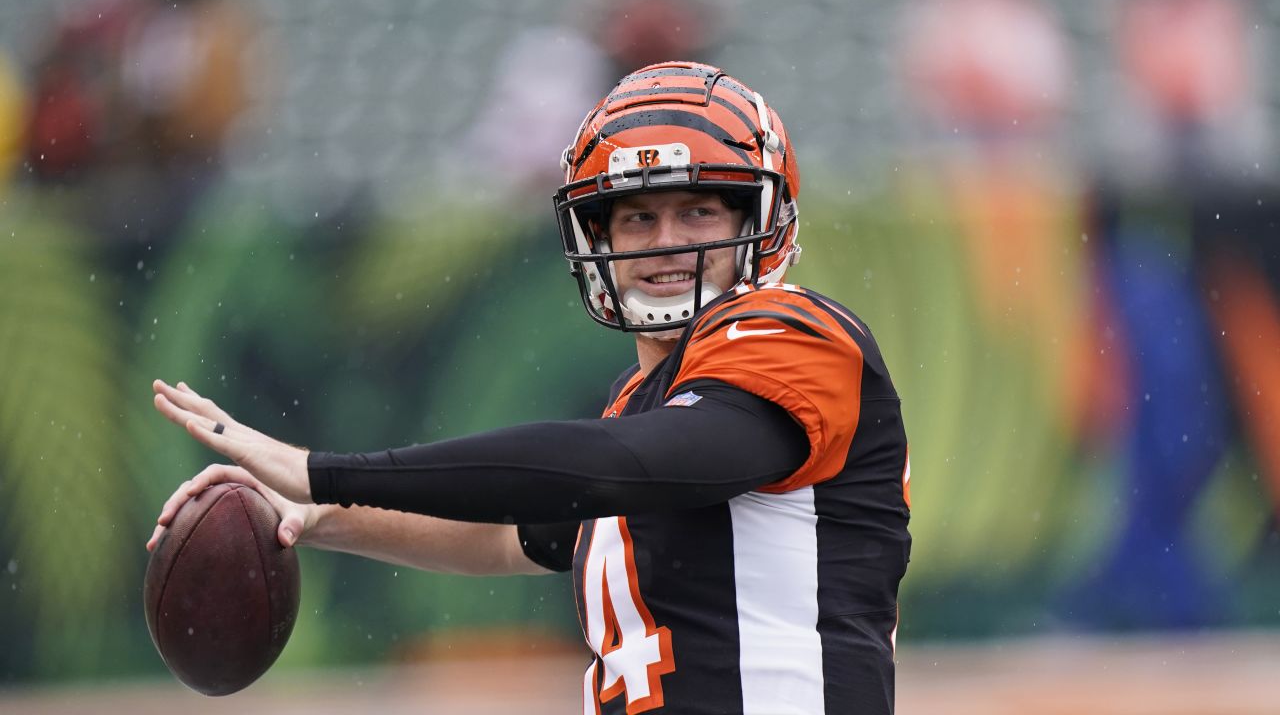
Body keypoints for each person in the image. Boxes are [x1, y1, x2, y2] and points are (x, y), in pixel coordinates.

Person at [147, 61, 912, 714]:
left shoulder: (794, 335)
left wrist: (321, 467)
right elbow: (510, 535)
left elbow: (618, 467)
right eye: (637, 217)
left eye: (697, 210)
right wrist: (314, 516)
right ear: (597, 240)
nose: (667, 242)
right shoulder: (639, 406)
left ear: (762, 217)